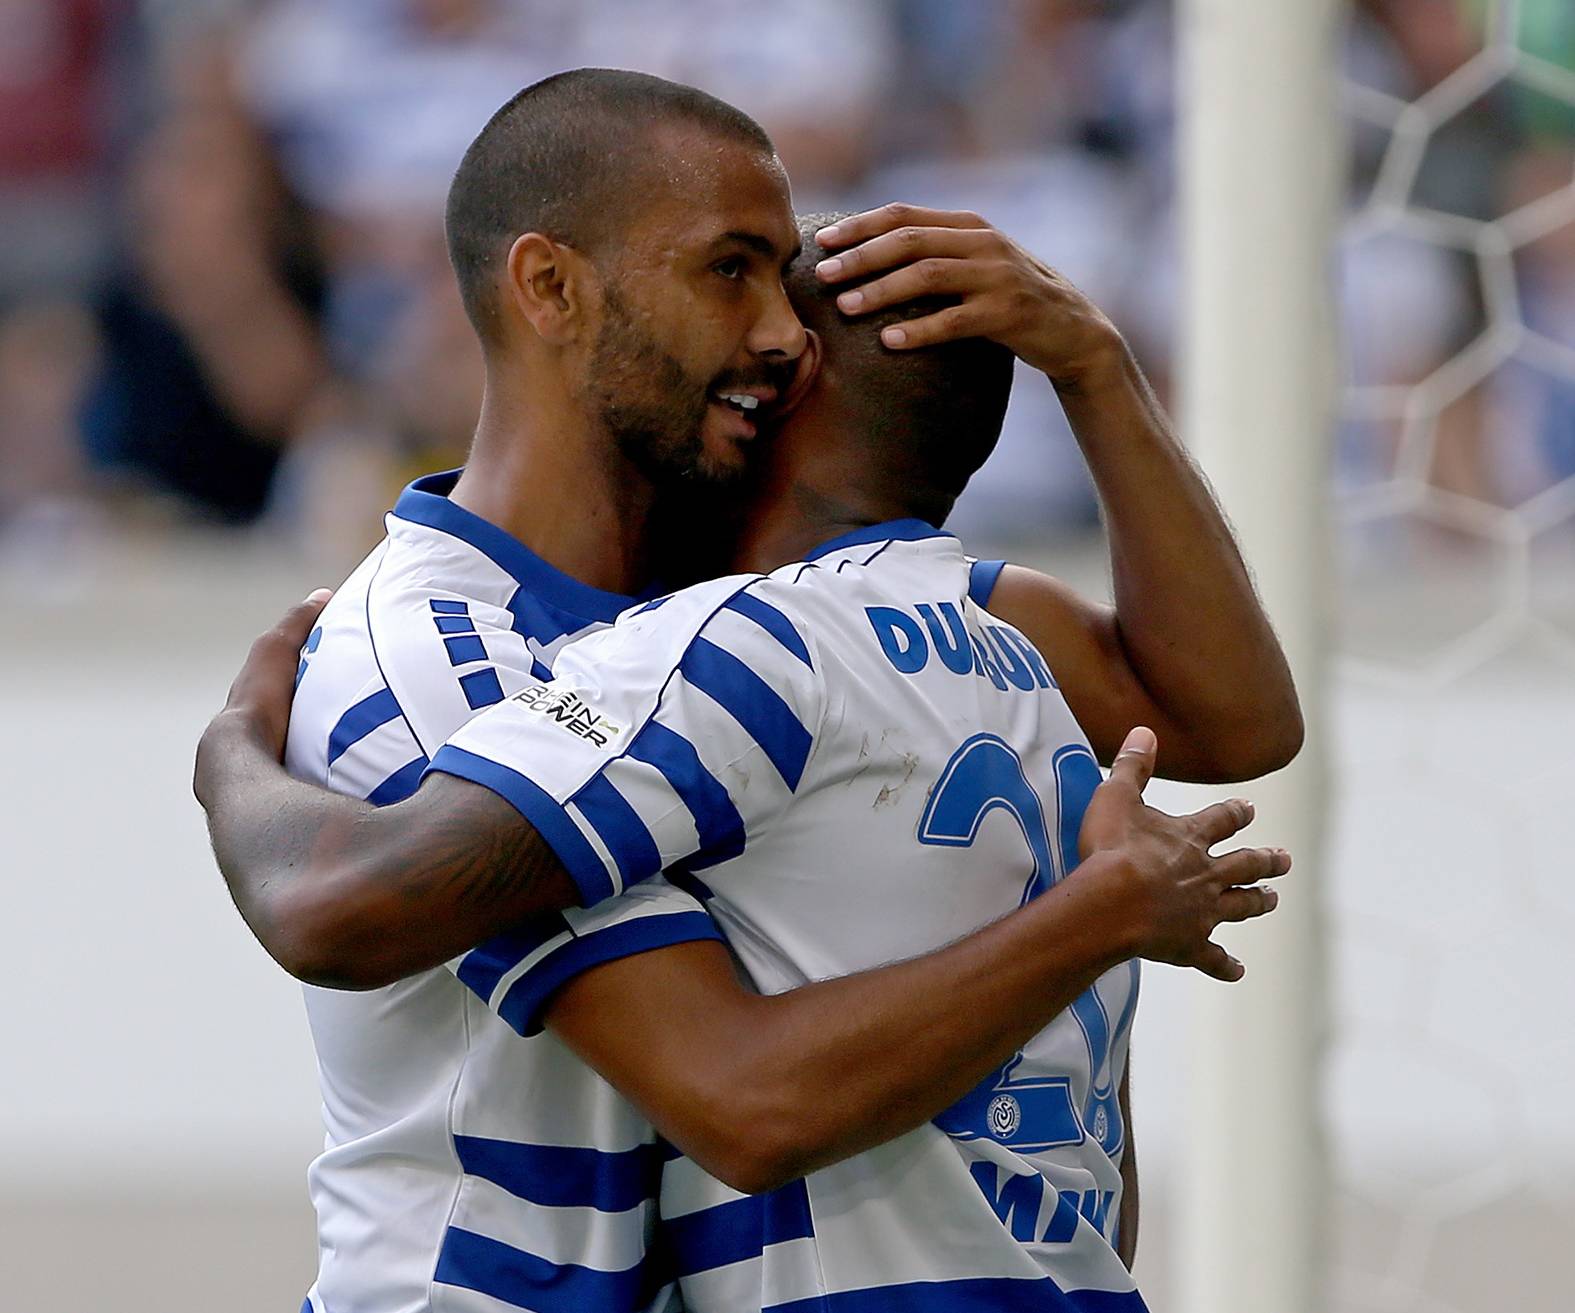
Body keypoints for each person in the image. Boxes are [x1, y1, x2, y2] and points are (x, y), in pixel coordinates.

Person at [196, 71, 1301, 1313]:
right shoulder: (444, 654)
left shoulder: (780, 621)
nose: (783, 331)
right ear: (551, 287)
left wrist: (1094, 363)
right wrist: (233, 749)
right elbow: (730, 1087)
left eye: (787, 277)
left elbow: (1229, 721)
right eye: (732, 270)